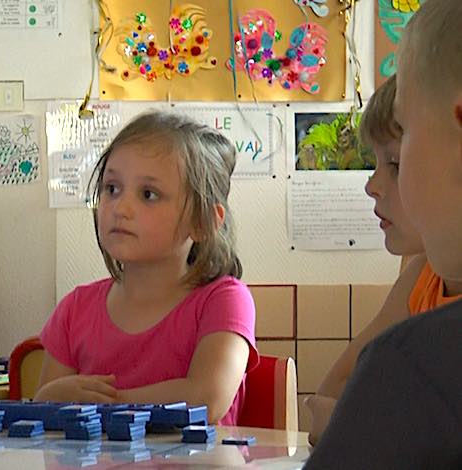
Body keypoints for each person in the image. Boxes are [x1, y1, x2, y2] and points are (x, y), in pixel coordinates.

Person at [305, 0, 462, 467]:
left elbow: (338, 413)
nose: (373, 185)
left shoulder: (409, 361)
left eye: (398, 154)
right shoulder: (418, 288)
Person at [34, 111, 258, 425]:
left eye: (148, 195)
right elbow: (44, 413)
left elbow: (207, 399)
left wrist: (104, 404)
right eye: (112, 188)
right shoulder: (75, 308)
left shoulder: (224, 300)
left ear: (203, 221)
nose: (120, 208)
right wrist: (47, 399)